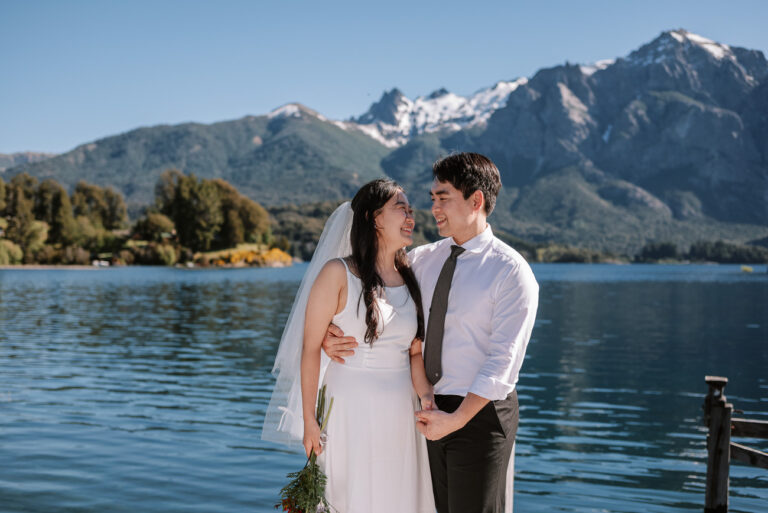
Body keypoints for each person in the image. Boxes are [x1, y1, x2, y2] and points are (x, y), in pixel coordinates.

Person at [323, 153, 539, 513]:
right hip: (426, 409)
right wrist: (334, 333)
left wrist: (456, 419)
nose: (433, 208)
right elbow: (376, 304)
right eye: (432, 198)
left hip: (479, 415)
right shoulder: (420, 260)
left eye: (444, 198)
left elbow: (503, 363)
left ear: (476, 201)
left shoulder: (511, 272)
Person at [262, 179, 436, 513]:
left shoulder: (410, 275)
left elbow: (414, 351)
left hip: (402, 412)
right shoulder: (337, 273)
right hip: (349, 411)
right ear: (374, 219)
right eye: (402, 208)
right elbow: (311, 348)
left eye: (411, 209)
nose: (411, 216)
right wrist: (310, 420)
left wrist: (426, 396)